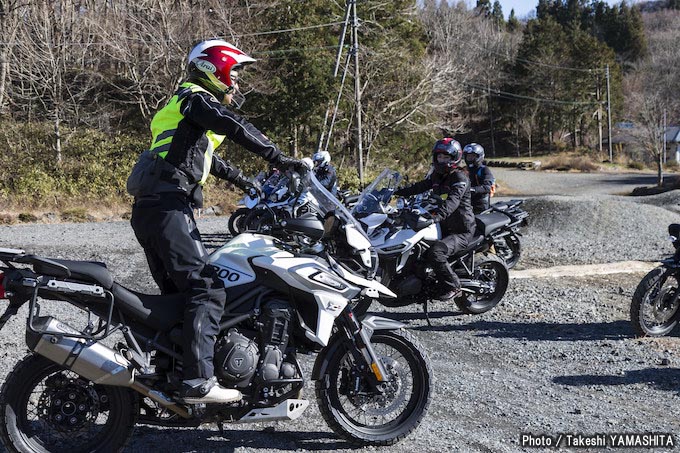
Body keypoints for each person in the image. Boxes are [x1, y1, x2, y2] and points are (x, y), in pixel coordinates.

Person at [126, 39, 304, 405]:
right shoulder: (195, 99)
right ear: (216, 69)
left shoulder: (183, 108)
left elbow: (203, 157)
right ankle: (198, 381)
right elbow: (233, 124)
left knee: (179, 296)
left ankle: (168, 371)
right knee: (207, 289)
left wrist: (247, 182)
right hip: (167, 207)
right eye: (234, 73)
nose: (236, 83)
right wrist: (280, 157)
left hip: (152, 208)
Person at [394, 138, 475, 302]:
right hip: (443, 226)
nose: (442, 160)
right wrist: (396, 191)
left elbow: (452, 202)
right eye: (439, 157)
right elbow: (420, 186)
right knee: (418, 247)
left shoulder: (460, 178)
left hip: (461, 230)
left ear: (455, 158)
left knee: (436, 252)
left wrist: (434, 217)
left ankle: (453, 285)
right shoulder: (438, 176)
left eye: (446, 157)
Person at [463, 143, 495, 214]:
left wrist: (472, 190)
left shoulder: (484, 169)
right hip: (466, 202)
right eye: (468, 156)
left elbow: (487, 187)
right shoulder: (464, 170)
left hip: (480, 205)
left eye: (473, 156)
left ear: (479, 156)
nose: (470, 158)